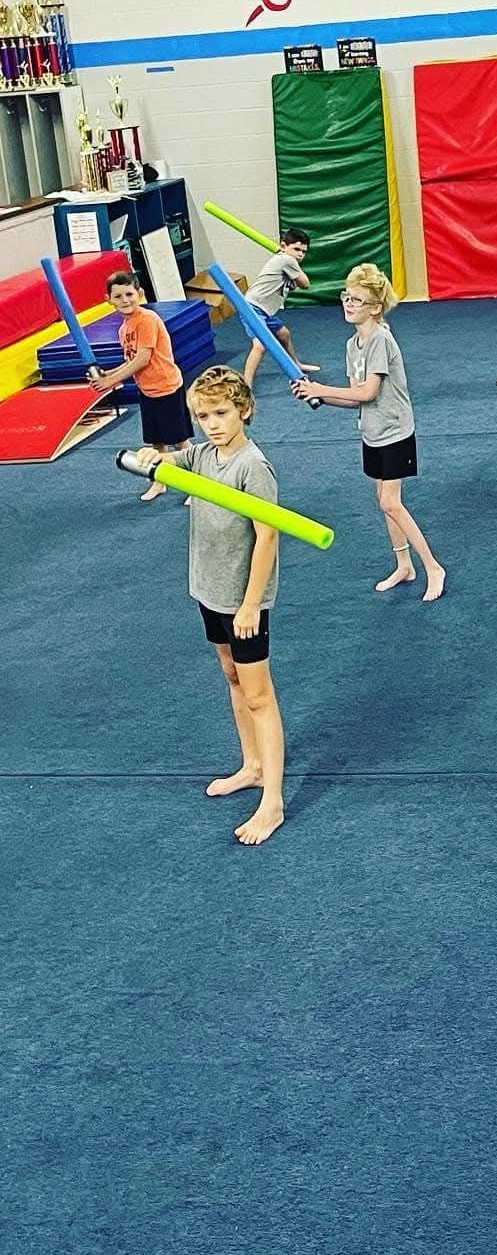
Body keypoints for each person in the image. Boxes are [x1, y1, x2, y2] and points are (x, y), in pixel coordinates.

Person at [139, 365, 285, 845]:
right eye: (203, 416)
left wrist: (250, 606)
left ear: (243, 410)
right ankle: (253, 765)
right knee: (231, 677)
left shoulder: (252, 466)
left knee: (259, 695)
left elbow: (267, 537)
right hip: (209, 590)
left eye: (221, 412)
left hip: (243, 600)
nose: (213, 423)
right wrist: (148, 456)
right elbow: (170, 463)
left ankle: (273, 803)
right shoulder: (203, 456)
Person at [292, 264, 446, 601]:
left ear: (375, 307)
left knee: (391, 501)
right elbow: (354, 400)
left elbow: (367, 393)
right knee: (385, 502)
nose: (348, 304)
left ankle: (433, 567)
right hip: (371, 431)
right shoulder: (353, 344)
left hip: (394, 431)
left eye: (357, 300)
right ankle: (404, 565)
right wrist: (317, 395)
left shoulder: (380, 339)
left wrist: (320, 387)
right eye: (346, 297)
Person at [88, 269, 191, 501]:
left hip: (166, 387)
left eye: (129, 294)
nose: (125, 300)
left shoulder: (146, 320)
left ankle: (197, 487)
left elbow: (143, 359)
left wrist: (110, 381)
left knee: (179, 441)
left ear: (140, 294)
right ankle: (159, 481)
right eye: (118, 296)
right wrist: (107, 374)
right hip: (148, 390)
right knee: (156, 443)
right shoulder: (124, 328)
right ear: (109, 300)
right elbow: (131, 360)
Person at [241, 227, 318, 387]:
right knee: (260, 346)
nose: (300, 255)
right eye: (296, 249)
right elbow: (305, 283)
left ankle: (296, 364)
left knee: (283, 334)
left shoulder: (284, 261)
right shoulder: (286, 260)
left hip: (264, 310)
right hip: (253, 307)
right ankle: (245, 385)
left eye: (303, 252)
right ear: (283, 246)